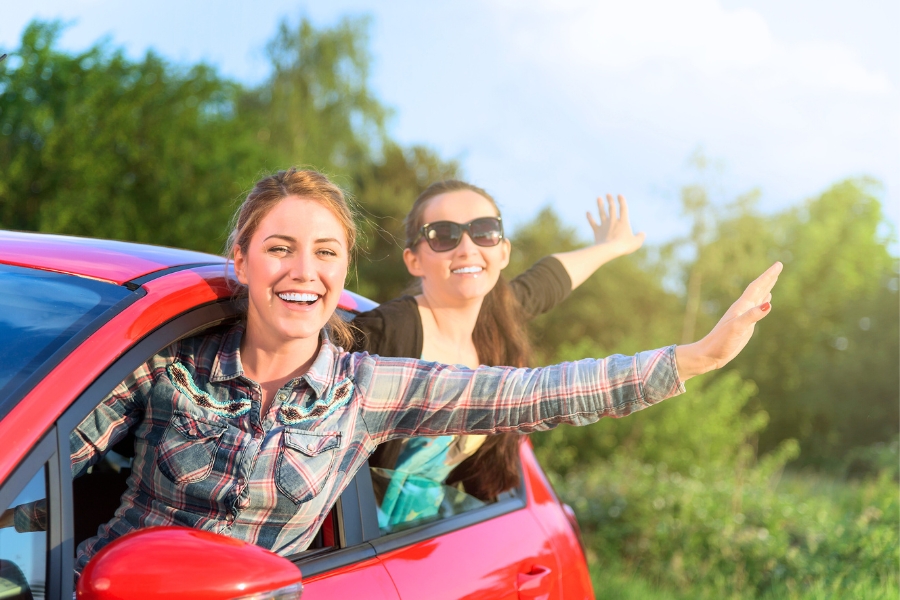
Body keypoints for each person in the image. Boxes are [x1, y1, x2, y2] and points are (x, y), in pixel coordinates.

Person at [1, 168, 781, 576]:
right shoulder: (170, 361)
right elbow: (40, 458)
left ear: (343, 272)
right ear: (240, 258)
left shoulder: (368, 384)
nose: (302, 270)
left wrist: (699, 355)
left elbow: (541, 388)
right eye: (279, 248)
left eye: (326, 252)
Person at [351, 180, 646, 528]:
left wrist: (610, 247)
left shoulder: (495, 325)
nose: (466, 248)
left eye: (484, 232)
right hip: (355, 550)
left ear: (502, 251)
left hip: (420, 543)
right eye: (443, 235)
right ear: (414, 260)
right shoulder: (386, 334)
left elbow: (546, 283)